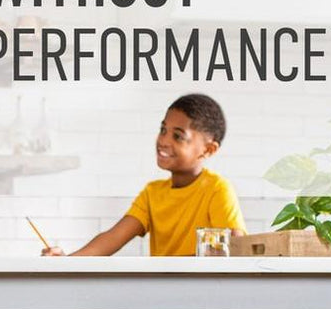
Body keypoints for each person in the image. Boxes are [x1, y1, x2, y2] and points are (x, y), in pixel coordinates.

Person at [44, 93, 246, 257]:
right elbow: (111, 238)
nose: (164, 141)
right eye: (163, 129)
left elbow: (237, 248)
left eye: (178, 136)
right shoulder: (152, 193)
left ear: (208, 150)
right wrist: (68, 263)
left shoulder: (216, 189)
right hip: (161, 297)